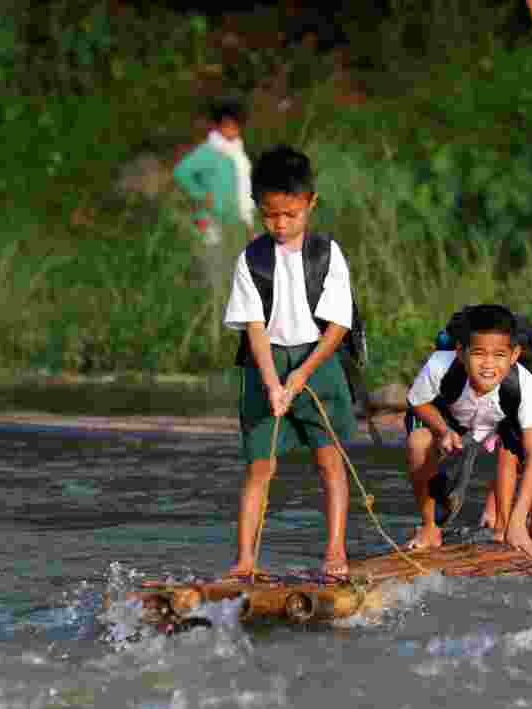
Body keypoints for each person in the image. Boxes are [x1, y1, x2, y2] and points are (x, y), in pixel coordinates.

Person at [222, 145, 357, 580]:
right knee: (260, 465)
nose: (280, 225)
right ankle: (246, 560)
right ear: (258, 208)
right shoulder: (251, 260)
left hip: (319, 360)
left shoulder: (328, 254)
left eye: (291, 215)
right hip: (266, 364)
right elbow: (254, 328)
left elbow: (338, 325)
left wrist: (299, 377)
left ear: (310, 203)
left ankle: (335, 550)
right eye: (270, 215)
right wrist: (273, 383)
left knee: (328, 459)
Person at [405, 305, 532, 559]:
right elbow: (417, 402)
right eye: (478, 354)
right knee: (417, 442)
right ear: (461, 353)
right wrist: (441, 431)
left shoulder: (523, 384)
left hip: (500, 420)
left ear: (514, 354)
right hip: (452, 420)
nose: (488, 365)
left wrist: (517, 522)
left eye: (499, 355)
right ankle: (430, 526)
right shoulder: (440, 366)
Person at [173, 97, 256, 247]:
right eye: (227, 125)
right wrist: (201, 193)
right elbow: (181, 171)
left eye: (236, 125)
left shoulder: (238, 153)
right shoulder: (208, 151)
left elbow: (244, 190)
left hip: (235, 222)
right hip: (212, 221)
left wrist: (249, 225)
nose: (232, 130)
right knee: (216, 263)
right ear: (217, 125)